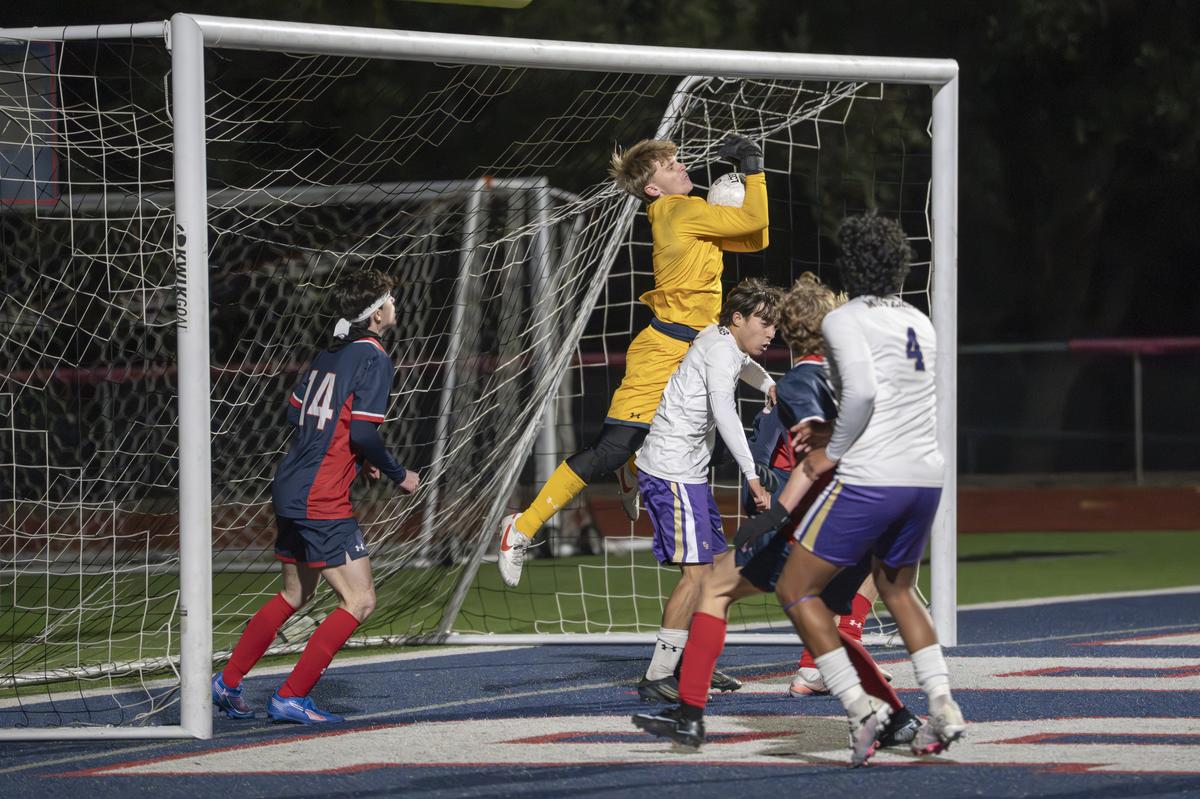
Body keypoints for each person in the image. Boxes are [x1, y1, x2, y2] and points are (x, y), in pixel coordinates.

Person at [631, 273, 920, 750]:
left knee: (714, 589)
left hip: (818, 526)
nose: (771, 331)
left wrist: (769, 506)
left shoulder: (802, 381)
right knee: (811, 617)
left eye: (777, 323)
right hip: (864, 524)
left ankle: (689, 714)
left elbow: (813, 461)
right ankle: (894, 718)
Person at [496, 135, 769, 596]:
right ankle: (520, 527)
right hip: (664, 351)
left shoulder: (692, 214)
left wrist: (740, 195)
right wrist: (754, 169)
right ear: (653, 189)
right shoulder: (680, 211)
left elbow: (756, 237)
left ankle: (633, 467)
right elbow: (756, 220)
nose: (681, 167)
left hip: (696, 349)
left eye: (677, 160)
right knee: (609, 448)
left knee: (695, 448)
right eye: (669, 166)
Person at [773, 212, 964, 766]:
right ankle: (944, 705)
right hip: (925, 474)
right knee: (897, 590)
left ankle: (862, 710)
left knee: (795, 588)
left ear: (850, 265)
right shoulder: (919, 320)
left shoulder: (845, 319)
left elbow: (860, 394)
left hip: (874, 474)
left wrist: (831, 449)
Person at [210, 267, 420, 724]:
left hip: (290, 484)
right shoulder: (374, 357)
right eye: (390, 299)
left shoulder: (330, 352)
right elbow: (363, 433)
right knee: (360, 600)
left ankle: (227, 682)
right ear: (376, 314)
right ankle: (291, 696)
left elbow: (295, 413)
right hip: (320, 496)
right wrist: (397, 473)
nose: (395, 306)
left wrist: (350, 451)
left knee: (294, 593)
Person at [628, 278, 778, 703]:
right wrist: (751, 475)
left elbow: (744, 366)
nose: (771, 333)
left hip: (687, 473)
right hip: (671, 470)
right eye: (764, 323)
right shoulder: (719, 350)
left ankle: (690, 663)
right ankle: (658, 676)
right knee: (697, 576)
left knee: (710, 572)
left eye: (774, 325)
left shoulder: (722, 339)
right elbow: (724, 412)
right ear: (738, 319)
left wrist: (767, 383)